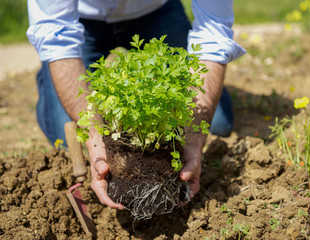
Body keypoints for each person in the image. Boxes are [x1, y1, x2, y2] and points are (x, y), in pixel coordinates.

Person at [27, 0, 246, 210]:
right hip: (81, 18)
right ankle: (49, 81)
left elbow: (214, 33)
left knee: (216, 123)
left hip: (157, 11)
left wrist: (194, 137)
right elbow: (56, 36)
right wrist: (94, 135)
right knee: (62, 129)